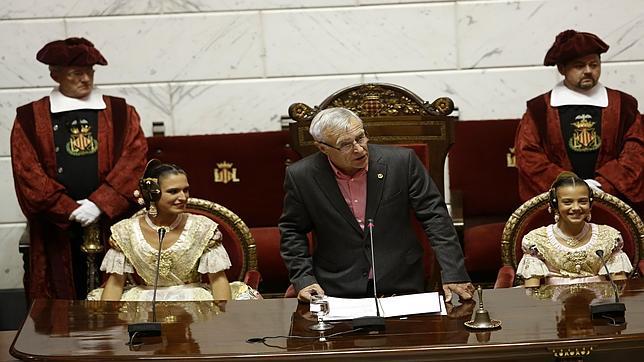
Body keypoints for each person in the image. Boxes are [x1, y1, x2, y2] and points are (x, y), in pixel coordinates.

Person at [279, 107, 474, 303]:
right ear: (322, 148)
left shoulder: (401, 163)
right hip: (336, 288)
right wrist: (303, 278)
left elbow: (435, 217)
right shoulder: (302, 176)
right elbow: (292, 230)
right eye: (346, 144)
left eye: (360, 137)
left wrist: (453, 272)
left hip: (401, 282)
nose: (359, 148)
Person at [11, 37, 148, 300]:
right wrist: (68, 209)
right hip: (57, 229)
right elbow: (27, 170)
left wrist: (99, 204)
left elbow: (134, 160)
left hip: (112, 223)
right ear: (55, 74)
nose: (86, 79)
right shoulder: (30, 118)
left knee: (118, 296)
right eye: (76, 73)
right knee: (61, 301)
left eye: (90, 72)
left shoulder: (121, 112)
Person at [515, 30, 643, 214]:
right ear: (562, 69)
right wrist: (570, 186)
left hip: (613, 202)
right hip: (557, 207)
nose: (589, 71)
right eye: (579, 66)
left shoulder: (624, 106)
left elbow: (636, 152)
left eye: (594, 64)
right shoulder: (539, 110)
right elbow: (528, 156)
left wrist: (602, 185)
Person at [94, 160, 259, 301]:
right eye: (173, 191)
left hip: (193, 301)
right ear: (152, 194)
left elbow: (217, 281)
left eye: (185, 190)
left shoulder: (203, 228)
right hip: (144, 302)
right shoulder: (125, 231)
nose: (183, 197)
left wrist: (222, 318)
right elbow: (115, 283)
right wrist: (109, 322)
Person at [516, 172, 633, 287]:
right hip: (555, 304)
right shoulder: (536, 240)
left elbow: (620, 287)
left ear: (590, 204)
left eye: (582, 201)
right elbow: (531, 292)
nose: (576, 208)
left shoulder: (609, 237)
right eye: (567, 202)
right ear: (555, 204)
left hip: (600, 303)